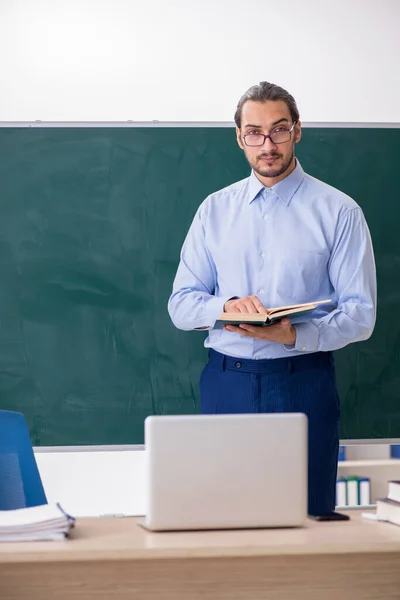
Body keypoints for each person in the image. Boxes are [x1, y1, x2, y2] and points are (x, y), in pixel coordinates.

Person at [167, 81, 376, 516]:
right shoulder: (213, 210)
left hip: (303, 380)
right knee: (224, 519)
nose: (268, 144)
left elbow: (360, 314)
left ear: (297, 131)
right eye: (255, 132)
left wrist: (293, 336)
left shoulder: (339, 212)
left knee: (308, 518)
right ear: (240, 137)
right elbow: (182, 304)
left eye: (279, 130)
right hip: (228, 383)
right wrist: (224, 308)